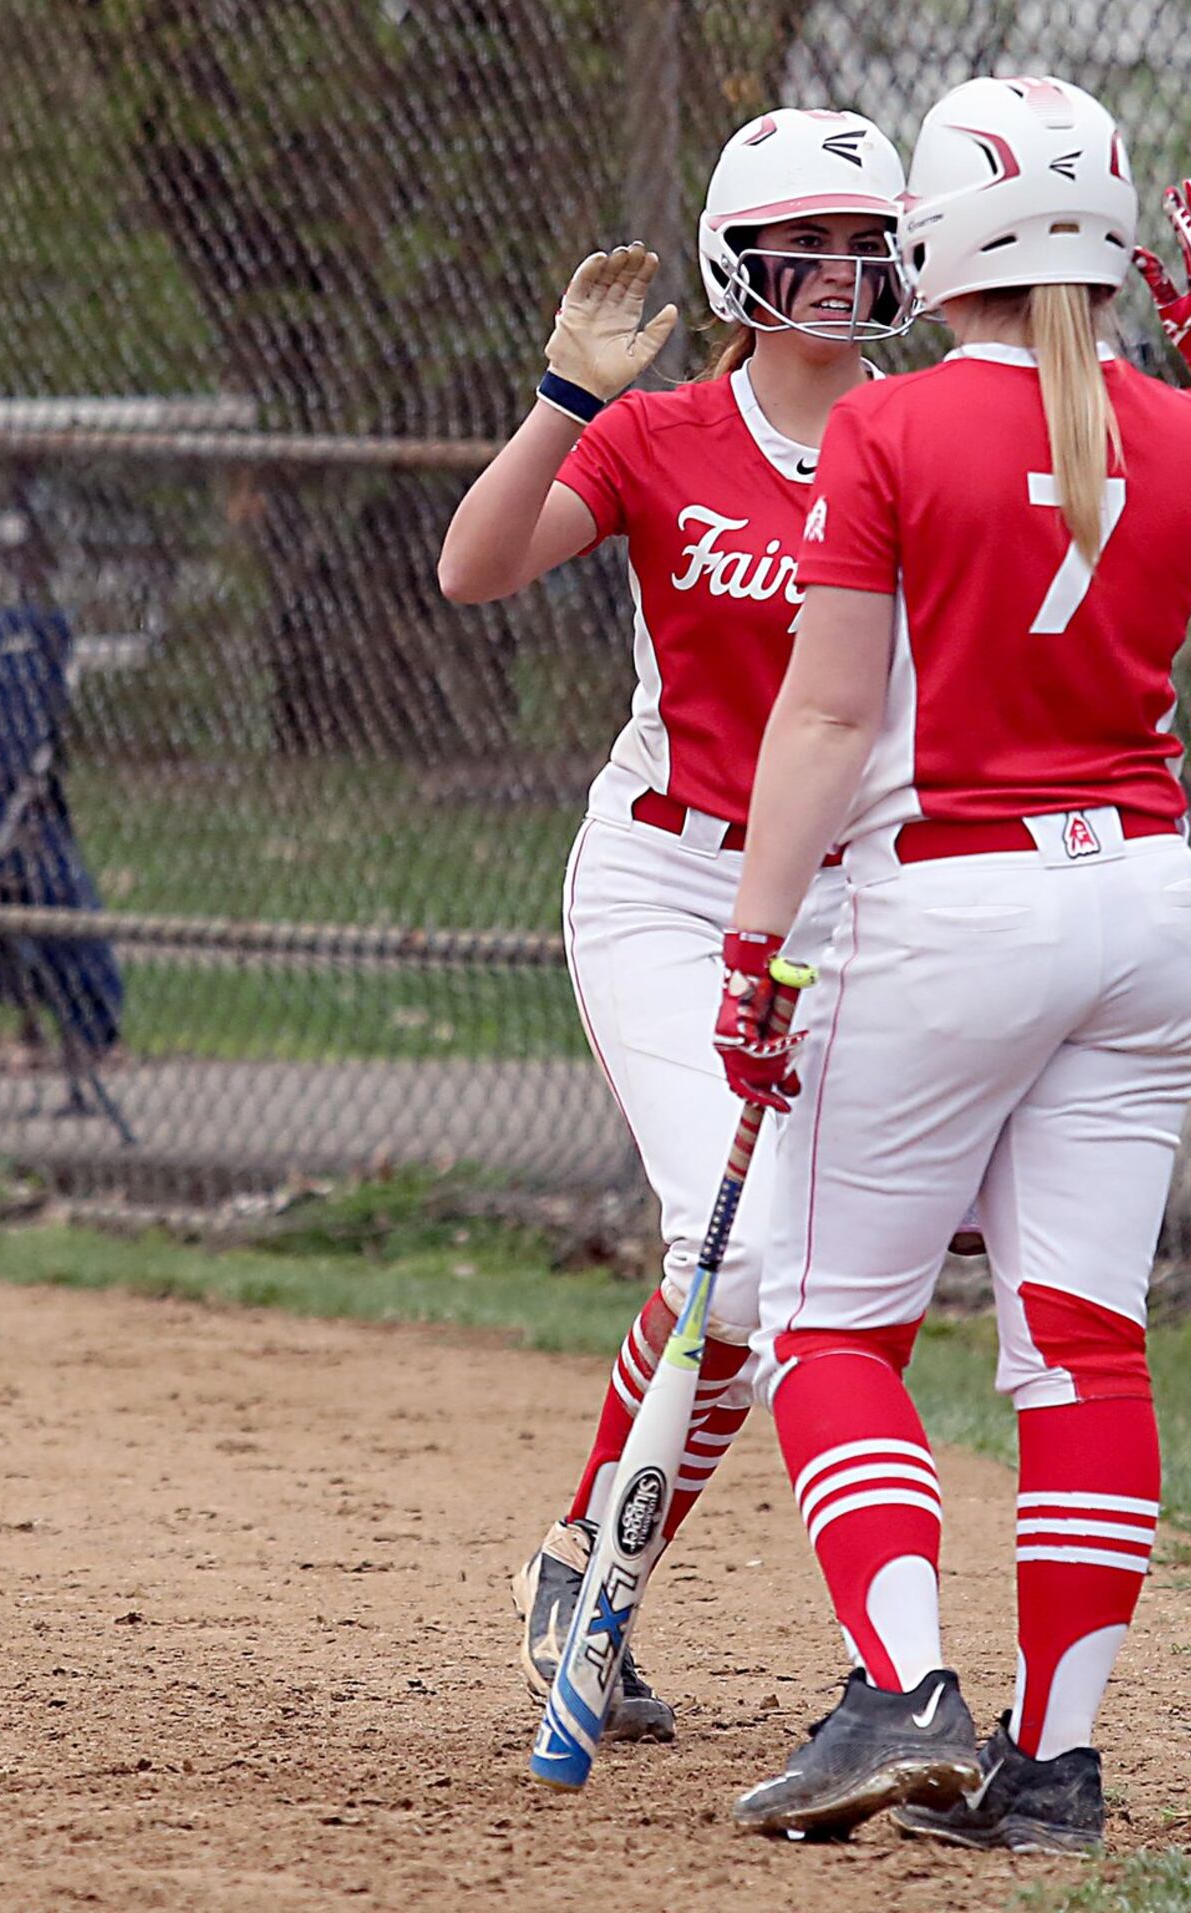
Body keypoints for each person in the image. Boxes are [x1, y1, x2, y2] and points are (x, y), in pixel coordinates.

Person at [712, 74, 1191, 1845]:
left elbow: (828, 720)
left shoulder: (891, 431)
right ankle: (1054, 1773)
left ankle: (908, 1690)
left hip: (955, 909)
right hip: (1146, 907)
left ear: (940, 237)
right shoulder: (1187, 426)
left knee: (833, 1323)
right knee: (1083, 1345)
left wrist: (754, 948)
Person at [438, 107, 913, 1743]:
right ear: (741, 262)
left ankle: (586, 1564)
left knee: (748, 1278)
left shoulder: (915, 436)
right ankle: (888, 1664)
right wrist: (571, 395)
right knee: (755, 1258)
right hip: (666, 879)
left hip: (854, 897)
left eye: (867, 243)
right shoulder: (657, 438)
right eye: (811, 245)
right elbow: (475, 569)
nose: (843, 273)